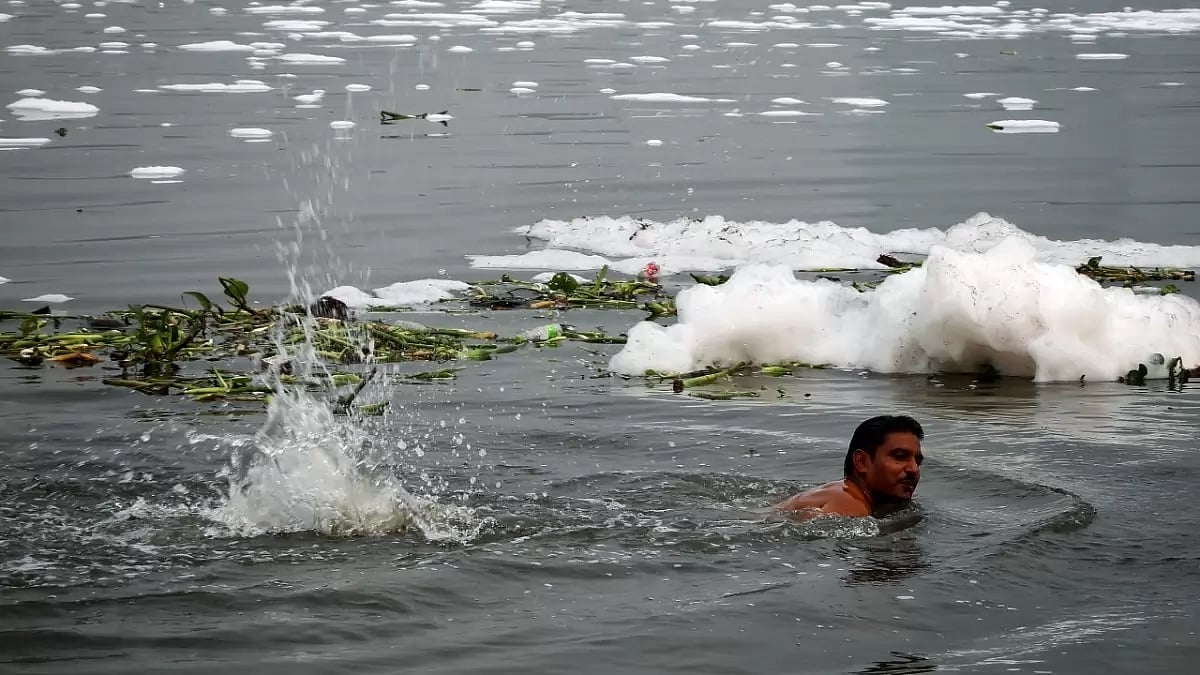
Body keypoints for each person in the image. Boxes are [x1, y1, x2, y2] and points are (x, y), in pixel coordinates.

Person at [777, 415, 924, 519]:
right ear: (862, 462)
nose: (914, 469)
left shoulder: (836, 491)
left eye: (918, 461)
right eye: (899, 456)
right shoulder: (851, 503)